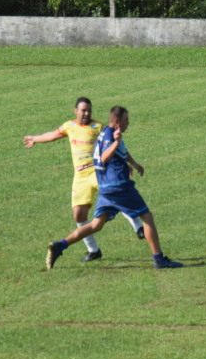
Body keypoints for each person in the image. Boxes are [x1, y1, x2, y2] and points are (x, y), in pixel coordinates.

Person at [46, 105, 183, 270]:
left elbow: (119, 150)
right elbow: (104, 157)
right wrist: (116, 142)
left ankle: (60, 245)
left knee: (96, 225)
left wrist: (133, 163)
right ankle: (159, 259)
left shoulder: (104, 132)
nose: (128, 123)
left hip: (105, 188)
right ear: (117, 121)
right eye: (126, 120)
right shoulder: (111, 136)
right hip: (118, 186)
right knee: (147, 217)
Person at [24, 97, 147, 262]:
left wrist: (128, 163)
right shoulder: (70, 126)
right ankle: (93, 250)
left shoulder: (98, 127)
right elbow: (53, 135)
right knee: (79, 215)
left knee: (117, 194)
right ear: (76, 111)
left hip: (98, 172)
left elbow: (117, 145)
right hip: (80, 177)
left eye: (89, 110)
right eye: (83, 110)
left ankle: (139, 228)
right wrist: (35, 138)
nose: (87, 113)